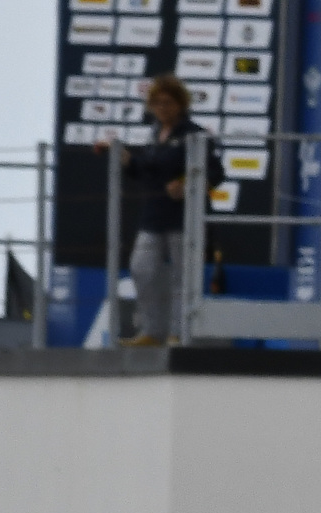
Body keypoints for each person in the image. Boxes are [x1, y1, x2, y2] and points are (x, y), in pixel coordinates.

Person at [100, 75, 209, 345]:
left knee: (183, 277)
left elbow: (215, 172)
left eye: (168, 102)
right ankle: (152, 331)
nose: (162, 108)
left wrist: (185, 183)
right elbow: (144, 170)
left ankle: (178, 333)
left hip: (183, 216)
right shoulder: (153, 134)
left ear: (180, 104)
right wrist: (120, 154)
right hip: (154, 214)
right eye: (157, 103)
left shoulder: (194, 134)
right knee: (142, 269)